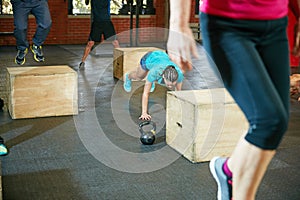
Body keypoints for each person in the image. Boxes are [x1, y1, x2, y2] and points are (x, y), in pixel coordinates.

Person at [167, 0, 295, 199]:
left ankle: (228, 170)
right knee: (268, 121)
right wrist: (177, 23)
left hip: (275, 24)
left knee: (275, 123)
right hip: (228, 25)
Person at [123, 50, 184, 120]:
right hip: (149, 58)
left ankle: (151, 82)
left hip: (162, 56)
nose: (170, 87)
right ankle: (128, 76)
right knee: (139, 77)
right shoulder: (154, 72)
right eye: (169, 85)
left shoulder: (179, 75)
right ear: (164, 76)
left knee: (154, 79)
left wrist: (177, 109)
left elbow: (178, 93)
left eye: (172, 85)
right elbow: (145, 94)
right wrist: (144, 113)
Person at [79, 0, 120, 70]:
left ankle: (121, 60)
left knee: (115, 42)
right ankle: (82, 62)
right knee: (90, 43)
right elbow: (86, 3)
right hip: (96, 23)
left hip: (107, 22)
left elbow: (118, 4)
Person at [11, 0, 52, 65]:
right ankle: (22, 48)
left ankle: (36, 45)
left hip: (39, 2)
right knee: (20, 28)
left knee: (46, 24)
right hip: (20, 2)